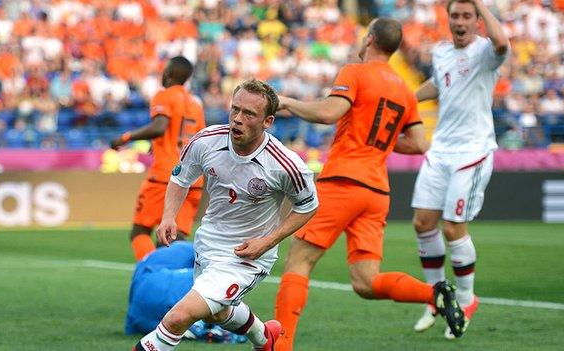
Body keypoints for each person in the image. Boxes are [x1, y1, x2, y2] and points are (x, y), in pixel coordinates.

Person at [273, 18, 467, 351]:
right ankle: (433, 293)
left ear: (370, 39)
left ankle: (281, 345)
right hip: (377, 191)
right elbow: (419, 143)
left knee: (299, 262)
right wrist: (381, 140)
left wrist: (287, 102)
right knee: (365, 282)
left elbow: (330, 112)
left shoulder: (356, 71)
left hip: (344, 181)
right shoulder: (406, 91)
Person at [132, 79, 319, 351]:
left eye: (249, 114)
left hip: (249, 256)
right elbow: (180, 177)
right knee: (216, 313)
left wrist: (267, 242)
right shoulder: (207, 141)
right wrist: (168, 216)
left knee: (178, 317)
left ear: (267, 121)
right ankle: (265, 338)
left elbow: (308, 206)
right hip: (209, 243)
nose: (237, 119)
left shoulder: (285, 164)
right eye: (235, 110)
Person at [410, 0, 509, 339]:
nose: (461, 21)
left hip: (473, 151)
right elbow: (439, 84)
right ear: (448, 18)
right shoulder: (441, 51)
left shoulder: (485, 51)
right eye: (456, 15)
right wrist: (407, 100)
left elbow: (502, 44)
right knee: (423, 223)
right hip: (441, 149)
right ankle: (436, 296)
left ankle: (467, 300)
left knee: (453, 228)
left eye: (468, 15)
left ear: (477, 19)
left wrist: (480, 5)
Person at [110, 56, 206, 261]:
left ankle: (151, 274)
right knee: (174, 238)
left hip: (165, 177)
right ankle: (176, 284)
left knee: (139, 232)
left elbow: (160, 127)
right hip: (193, 179)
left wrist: (125, 138)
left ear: (169, 73)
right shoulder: (196, 104)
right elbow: (198, 140)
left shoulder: (164, 95)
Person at [125, 241, 247, 345]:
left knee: (159, 323)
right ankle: (204, 326)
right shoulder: (190, 247)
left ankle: (190, 327)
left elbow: (132, 314)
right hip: (168, 283)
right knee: (214, 281)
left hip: (139, 312)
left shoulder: (149, 259)